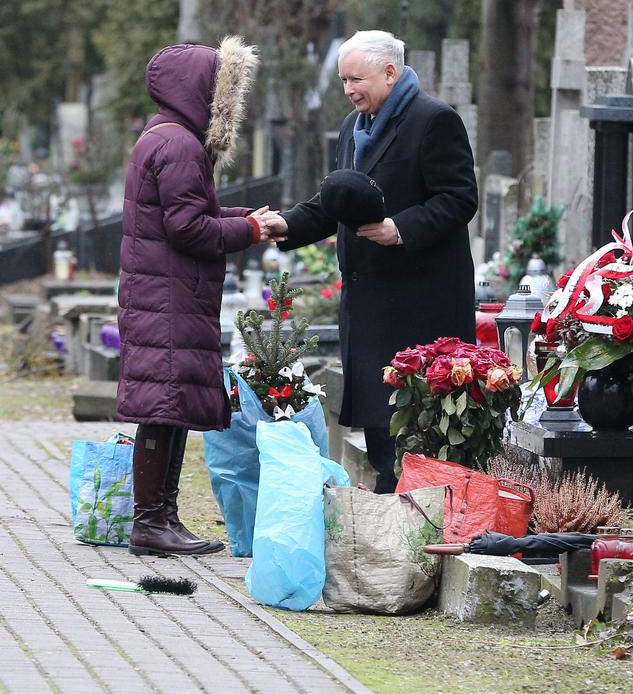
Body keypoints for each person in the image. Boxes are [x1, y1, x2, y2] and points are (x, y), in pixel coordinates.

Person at [266, 30, 478, 492]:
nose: (348, 90)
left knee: (414, 417)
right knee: (380, 420)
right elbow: (333, 203)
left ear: (389, 72)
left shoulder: (434, 120)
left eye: (354, 79)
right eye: (343, 80)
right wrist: (287, 225)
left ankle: (412, 505)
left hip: (420, 300)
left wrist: (399, 229)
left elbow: (460, 198)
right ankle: (388, 494)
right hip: (369, 300)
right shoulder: (353, 126)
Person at [117, 37, 272, 555]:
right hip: (168, 298)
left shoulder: (164, 137)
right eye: (217, 88)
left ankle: (162, 516)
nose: (219, 100)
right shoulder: (180, 145)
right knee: (163, 406)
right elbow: (188, 230)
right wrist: (249, 232)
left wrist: (248, 219)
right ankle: (151, 522)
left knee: (172, 403)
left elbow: (187, 216)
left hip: (165, 293)